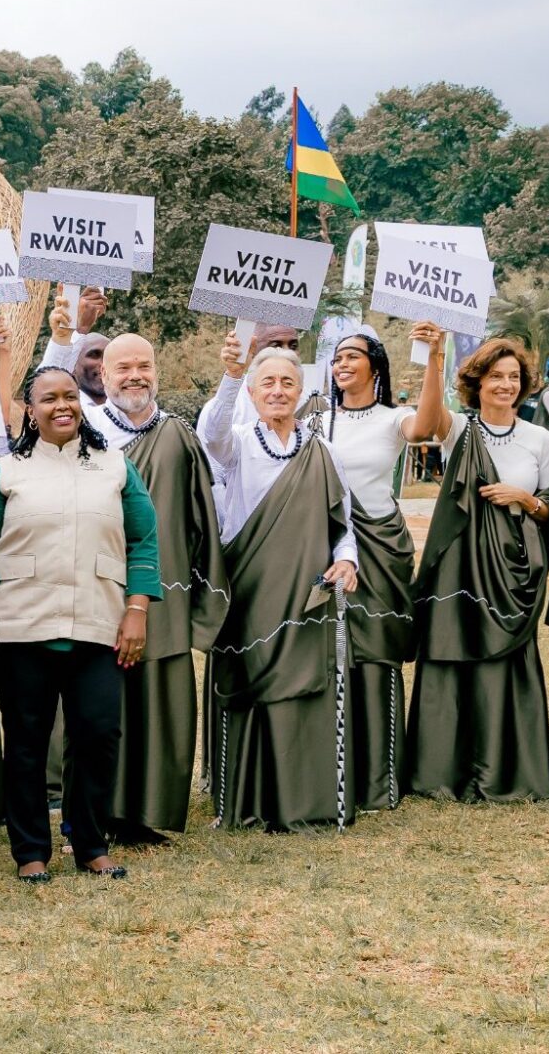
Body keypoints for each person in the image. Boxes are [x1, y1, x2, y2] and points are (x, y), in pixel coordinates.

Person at [0, 367, 159, 881]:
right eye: (49, 398)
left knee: (98, 734)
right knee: (27, 741)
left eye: (70, 395)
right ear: (31, 410)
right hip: (21, 626)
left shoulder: (115, 466)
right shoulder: (8, 471)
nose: (62, 405)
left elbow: (143, 542)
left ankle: (90, 843)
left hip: (99, 623)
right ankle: (30, 852)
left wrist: (136, 610)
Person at [45, 306, 228, 839]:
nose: (134, 376)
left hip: (161, 592)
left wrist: (203, 586)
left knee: (157, 703)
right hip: (93, 589)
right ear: (103, 376)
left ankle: (146, 815)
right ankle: (89, 815)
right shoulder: (81, 435)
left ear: (156, 372)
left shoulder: (178, 435)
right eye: (122, 367)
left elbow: (203, 516)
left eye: (143, 366)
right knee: (93, 708)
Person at [200, 339, 363, 832]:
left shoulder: (323, 451)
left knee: (304, 688)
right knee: (252, 686)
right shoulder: (237, 444)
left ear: (300, 390)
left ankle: (306, 797)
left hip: (306, 596)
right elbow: (211, 433)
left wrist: (347, 562)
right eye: (267, 382)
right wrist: (231, 376)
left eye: (287, 382)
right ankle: (248, 800)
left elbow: (342, 524)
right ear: (252, 392)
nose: (277, 390)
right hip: (250, 593)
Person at [404, 337, 549, 804]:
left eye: (514, 377)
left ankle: (507, 773)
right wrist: (435, 356)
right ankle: (440, 773)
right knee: (452, 652)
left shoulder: (539, 438)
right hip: (460, 567)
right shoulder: (459, 429)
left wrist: (524, 498)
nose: (506, 385)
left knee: (504, 664)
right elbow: (429, 418)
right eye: (496, 376)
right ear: (478, 382)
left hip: (513, 569)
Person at [317, 323, 451, 812]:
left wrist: (435, 358)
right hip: (328, 545)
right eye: (337, 358)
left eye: (353, 356)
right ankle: (333, 771)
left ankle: (378, 778)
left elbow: (427, 428)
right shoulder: (317, 421)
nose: (342, 364)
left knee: (375, 654)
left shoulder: (394, 418)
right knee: (333, 653)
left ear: (376, 367)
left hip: (380, 544)